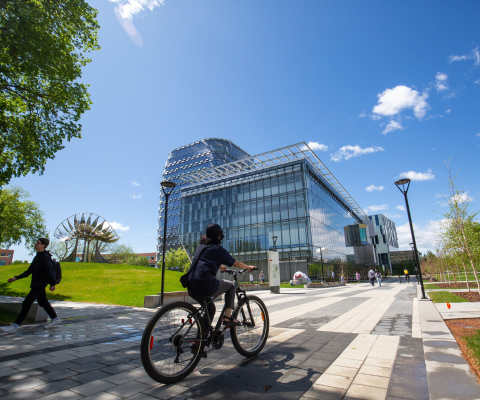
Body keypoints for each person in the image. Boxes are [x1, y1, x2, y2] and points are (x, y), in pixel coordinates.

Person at [187, 223, 255, 328]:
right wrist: (247, 267)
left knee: (210, 309)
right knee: (231, 286)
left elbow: (204, 260)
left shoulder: (202, 247)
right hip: (204, 285)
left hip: (191, 284)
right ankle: (228, 316)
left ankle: (200, 340)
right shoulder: (217, 249)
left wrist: (219, 266)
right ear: (218, 236)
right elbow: (235, 263)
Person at [1, 238, 61, 334]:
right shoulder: (38, 257)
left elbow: (51, 272)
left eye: (38, 243)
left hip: (39, 284)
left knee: (26, 303)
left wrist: (52, 284)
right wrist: (16, 278)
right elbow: (29, 271)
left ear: (43, 245)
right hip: (37, 284)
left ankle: (15, 326)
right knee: (43, 302)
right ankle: (55, 318)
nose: (35, 244)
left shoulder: (44, 257)